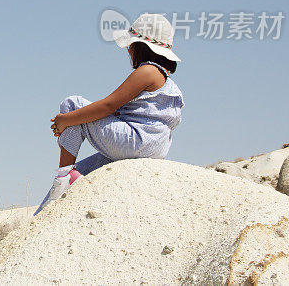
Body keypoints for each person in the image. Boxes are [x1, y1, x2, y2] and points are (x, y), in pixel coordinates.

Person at [34, 13, 184, 216]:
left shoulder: (147, 71)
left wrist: (66, 120)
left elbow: (108, 106)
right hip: (155, 146)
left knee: (73, 104)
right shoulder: (167, 81)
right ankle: (45, 210)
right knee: (85, 170)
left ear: (139, 46)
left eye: (130, 46)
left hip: (136, 141)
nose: (128, 51)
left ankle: (62, 176)